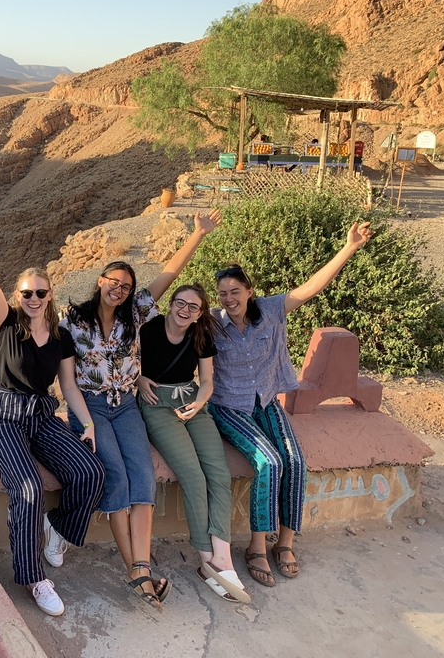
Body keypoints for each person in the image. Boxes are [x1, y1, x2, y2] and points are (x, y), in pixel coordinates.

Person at [58, 209, 222, 610]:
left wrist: (198, 235)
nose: (119, 289)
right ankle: (138, 572)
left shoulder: (136, 314)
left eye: (126, 285)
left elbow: (169, 274)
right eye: (113, 281)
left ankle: (141, 568)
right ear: (100, 282)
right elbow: (39, 341)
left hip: (128, 405)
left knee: (143, 480)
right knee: (116, 480)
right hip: (93, 406)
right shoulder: (74, 321)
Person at [209, 221, 374, 586]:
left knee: (294, 460)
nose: (228, 299)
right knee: (268, 461)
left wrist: (348, 248)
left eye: (234, 291)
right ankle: (255, 545)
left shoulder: (270, 310)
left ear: (250, 291)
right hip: (229, 407)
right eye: (222, 293)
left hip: (266, 402)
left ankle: (285, 543)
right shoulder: (212, 324)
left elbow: (313, 287)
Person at [0, 205, 105, 617]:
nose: (32, 298)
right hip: (3, 416)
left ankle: (57, 527)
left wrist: (88, 422)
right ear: (18, 297)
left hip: (41, 415)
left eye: (40, 293)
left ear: (50, 297)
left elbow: (68, 386)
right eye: (26, 293)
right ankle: (33, 578)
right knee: (27, 488)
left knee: (91, 471)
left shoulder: (61, 338)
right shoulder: (7, 324)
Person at [136, 284, 250, 603]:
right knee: (193, 477)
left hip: (192, 402)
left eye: (193, 307)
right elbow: (127, 366)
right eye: (180, 303)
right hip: (157, 403)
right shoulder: (148, 329)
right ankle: (205, 560)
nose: (185, 310)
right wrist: (139, 379)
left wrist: (199, 404)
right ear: (171, 304)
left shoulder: (200, 336)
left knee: (219, 474)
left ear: (200, 312)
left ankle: (223, 557)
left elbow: (207, 381)